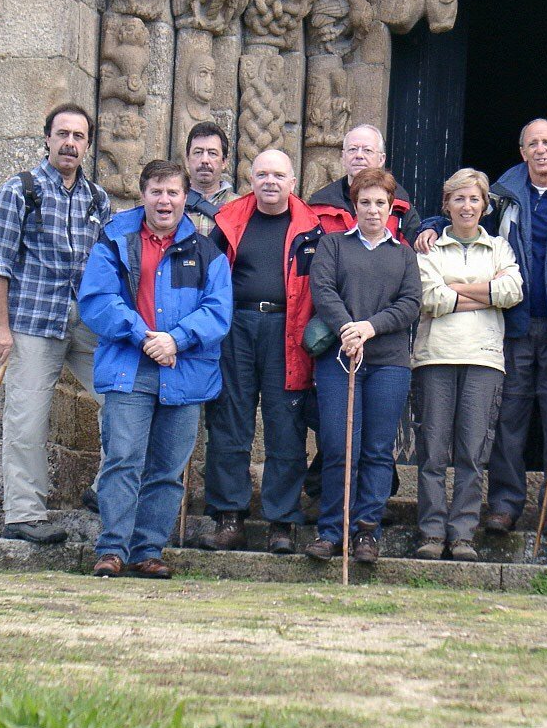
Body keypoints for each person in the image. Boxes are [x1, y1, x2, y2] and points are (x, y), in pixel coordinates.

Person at [416, 119, 547, 539]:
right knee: (509, 419)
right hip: (514, 326)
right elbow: (464, 211)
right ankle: (504, 505)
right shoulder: (503, 195)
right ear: (522, 152)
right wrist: (429, 224)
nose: (540, 150)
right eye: (531, 143)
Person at [78, 160, 232, 578]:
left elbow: (218, 312)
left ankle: (148, 550)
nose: (165, 201)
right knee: (123, 459)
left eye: (173, 193)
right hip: (131, 367)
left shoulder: (207, 252)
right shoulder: (114, 240)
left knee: (166, 469)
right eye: (156, 192)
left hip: (184, 371)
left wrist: (176, 339)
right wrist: (144, 335)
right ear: (142, 194)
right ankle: (112, 549)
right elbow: (95, 300)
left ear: (186, 198)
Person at [0, 103, 111, 543]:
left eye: (79, 136)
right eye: (63, 134)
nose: (70, 143)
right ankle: (23, 513)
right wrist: (1, 328)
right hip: (34, 319)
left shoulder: (98, 199)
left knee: (124, 396)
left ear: (88, 145)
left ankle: (105, 487)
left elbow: (107, 266)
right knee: (27, 418)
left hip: (87, 322)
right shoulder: (22, 189)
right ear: (47, 138)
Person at [201, 149, 324, 554]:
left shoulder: (313, 228)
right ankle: (229, 516)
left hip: (288, 330)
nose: (270, 181)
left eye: (279, 175)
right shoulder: (229, 220)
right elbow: (205, 274)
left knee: (285, 426)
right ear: (251, 179)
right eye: (262, 174)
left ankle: (282, 521)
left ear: (293, 182)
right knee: (229, 422)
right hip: (235, 327)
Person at [303, 167, 421, 563]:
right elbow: (322, 289)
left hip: (389, 363)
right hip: (340, 359)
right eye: (365, 202)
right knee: (339, 446)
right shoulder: (334, 245)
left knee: (375, 449)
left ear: (391, 208)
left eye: (380, 203)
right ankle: (332, 530)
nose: (373, 210)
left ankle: (366, 532)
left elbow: (409, 304)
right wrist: (347, 329)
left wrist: (369, 328)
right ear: (354, 206)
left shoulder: (403, 254)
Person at [412, 169, 523, 561]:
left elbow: (512, 291)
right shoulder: (429, 248)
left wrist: (455, 288)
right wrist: (486, 294)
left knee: (474, 454)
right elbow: (429, 297)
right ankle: (430, 533)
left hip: (484, 359)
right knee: (433, 452)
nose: (467, 206)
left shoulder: (499, 249)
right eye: (458, 199)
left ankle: (462, 535)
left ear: (484, 205)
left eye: (474, 199)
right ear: (447, 205)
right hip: (436, 356)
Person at [308, 124, 421, 243]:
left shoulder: (400, 205)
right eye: (352, 149)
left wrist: (433, 227)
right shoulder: (320, 205)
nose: (359, 155)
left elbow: (416, 249)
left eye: (367, 150)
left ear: (381, 159)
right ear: (343, 157)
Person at [184, 121, 239, 236]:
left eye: (212, 153)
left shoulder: (239, 207)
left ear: (224, 162)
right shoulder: (172, 203)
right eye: (198, 152)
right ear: (187, 159)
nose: (205, 160)